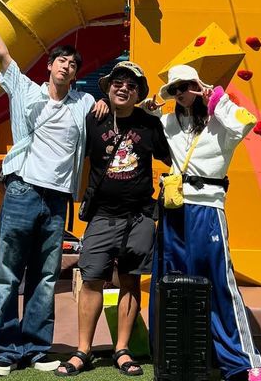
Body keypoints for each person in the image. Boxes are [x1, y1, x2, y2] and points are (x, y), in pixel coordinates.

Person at [0, 0, 105, 377]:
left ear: (76, 74)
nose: (67, 66)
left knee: (45, 277)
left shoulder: (83, 102)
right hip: (23, 190)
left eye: (73, 64)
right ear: (49, 66)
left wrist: (103, 105)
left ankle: (36, 349)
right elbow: (1, 53)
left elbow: (105, 109)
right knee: (8, 274)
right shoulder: (26, 89)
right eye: (62, 60)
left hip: (57, 199)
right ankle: (2, 352)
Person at [149, 64, 261, 381]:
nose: (180, 93)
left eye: (185, 86)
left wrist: (215, 97)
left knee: (219, 284)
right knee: (172, 283)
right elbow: (144, 121)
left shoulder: (221, 124)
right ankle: (175, 357)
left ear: (197, 85)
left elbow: (246, 123)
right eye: (174, 89)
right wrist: (150, 106)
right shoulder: (168, 122)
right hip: (174, 209)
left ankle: (243, 362)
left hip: (208, 209)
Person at [56, 61, 170, 378]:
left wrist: (160, 116)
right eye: (118, 82)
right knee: (92, 279)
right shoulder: (93, 119)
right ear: (108, 87)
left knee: (130, 281)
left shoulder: (149, 124)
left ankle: (122, 349)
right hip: (102, 215)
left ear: (139, 93)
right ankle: (83, 350)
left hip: (139, 216)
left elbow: (172, 155)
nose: (124, 88)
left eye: (131, 85)